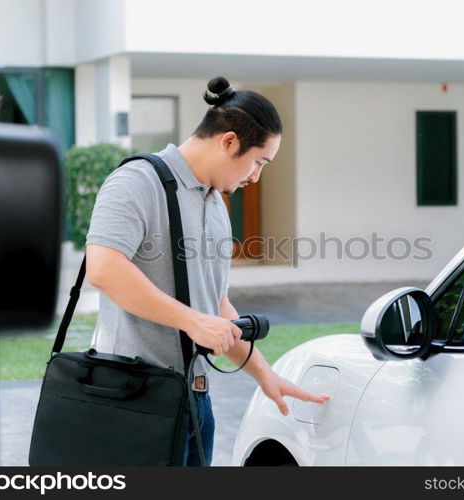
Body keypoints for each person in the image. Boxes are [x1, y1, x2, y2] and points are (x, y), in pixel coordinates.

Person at [84, 76, 329, 466]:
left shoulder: (215, 204)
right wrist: (193, 321)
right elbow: (103, 268)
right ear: (229, 142)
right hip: (134, 400)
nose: (255, 177)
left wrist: (264, 374)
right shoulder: (137, 181)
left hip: (195, 402)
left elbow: (215, 305)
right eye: (259, 162)